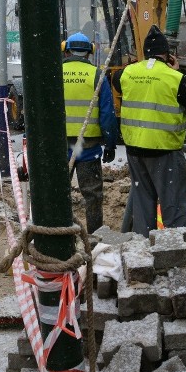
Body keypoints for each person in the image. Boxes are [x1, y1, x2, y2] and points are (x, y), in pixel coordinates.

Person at [112, 25, 186, 237]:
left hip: (135, 150)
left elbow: (117, 82)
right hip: (164, 150)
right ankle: (177, 247)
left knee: (143, 203)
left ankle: (142, 248)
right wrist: (176, 71)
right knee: (175, 204)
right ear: (167, 55)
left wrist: (138, 67)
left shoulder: (127, 74)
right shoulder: (174, 77)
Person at [62, 32, 118, 233]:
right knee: (92, 195)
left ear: (65, 50)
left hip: (60, 146)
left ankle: (61, 233)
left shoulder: (55, 73)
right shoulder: (97, 76)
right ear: (90, 52)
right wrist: (111, 143)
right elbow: (107, 115)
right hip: (88, 146)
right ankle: (94, 238)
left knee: (59, 194)